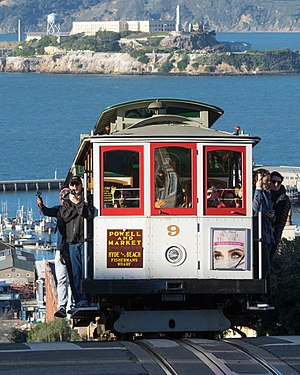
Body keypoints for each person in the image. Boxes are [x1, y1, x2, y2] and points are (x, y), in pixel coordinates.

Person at [37, 188, 79, 318]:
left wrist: (41, 205)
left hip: (64, 248)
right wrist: (41, 205)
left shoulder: (60, 210)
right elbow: (46, 211)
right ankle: (67, 305)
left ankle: (66, 305)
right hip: (65, 248)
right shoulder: (73, 209)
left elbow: (47, 211)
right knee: (69, 278)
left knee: (65, 279)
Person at [59, 176, 94, 309]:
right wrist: (76, 204)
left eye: (76, 185)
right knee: (76, 273)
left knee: (87, 270)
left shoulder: (88, 199)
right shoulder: (67, 202)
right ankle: (79, 298)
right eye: (72, 185)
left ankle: (88, 298)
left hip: (86, 240)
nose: (74, 188)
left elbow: (89, 214)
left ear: (81, 185)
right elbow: (65, 216)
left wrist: (79, 203)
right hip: (72, 242)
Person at [252, 169, 276, 278]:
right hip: (259, 234)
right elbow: (256, 208)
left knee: (266, 267)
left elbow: (268, 210)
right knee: (263, 266)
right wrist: (258, 189)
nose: (268, 184)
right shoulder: (254, 193)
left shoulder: (267, 194)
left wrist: (272, 216)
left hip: (267, 233)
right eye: (266, 181)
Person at [269, 171, 291, 261]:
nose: (276, 184)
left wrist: (272, 217)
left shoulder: (283, 199)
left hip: (273, 234)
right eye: (274, 181)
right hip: (265, 231)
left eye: (279, 182)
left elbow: (281, 220)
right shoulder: (266, 194)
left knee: (267, 261)